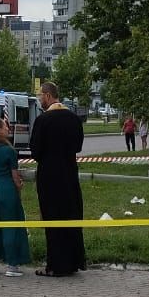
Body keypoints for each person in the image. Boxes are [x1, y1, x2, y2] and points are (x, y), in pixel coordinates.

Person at [29, 80, 86, 277]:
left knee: (52, 219)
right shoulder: (73, 119)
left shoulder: (43, 120)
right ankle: (73, 261)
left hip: (49, 177)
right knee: (71, 216)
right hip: (70, 174)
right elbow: (78, 147)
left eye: (40, 96)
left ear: (47, 95)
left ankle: (55, 265)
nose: (39, 100)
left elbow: (35, 151)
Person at [0, 117, 31, 277]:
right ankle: (12, 264)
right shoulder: (9, 150)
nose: (8, 129)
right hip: (6, 189)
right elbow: (15, 176)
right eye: (5, 127)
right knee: (11, 225)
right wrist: (19, 185)